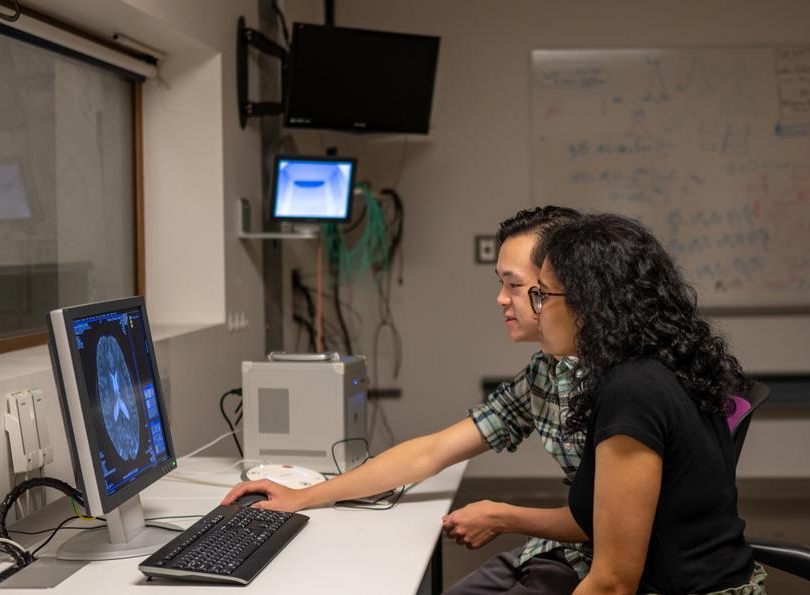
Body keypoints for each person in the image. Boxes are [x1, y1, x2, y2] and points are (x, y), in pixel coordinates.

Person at [223, 206, 591, 595]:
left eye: (513, 285)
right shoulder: (544, 373)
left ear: (556, 285)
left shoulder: (621, 384)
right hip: (562, 551)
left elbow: (608, 523)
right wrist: (303, 497)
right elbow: (431, 451)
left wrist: (502, 516)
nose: (501, 299)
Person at [532, 213, 766, 595]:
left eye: (542, 294)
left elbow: (612, 583)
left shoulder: (632, 391)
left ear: (588, 303)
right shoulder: (665, 366)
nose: (536, 309)